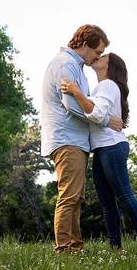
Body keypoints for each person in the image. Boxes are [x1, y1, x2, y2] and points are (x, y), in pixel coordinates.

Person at [61, 53, 137, 252]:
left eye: (103, 56)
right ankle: (116, 247)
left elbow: (96, 114)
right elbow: (94, 111)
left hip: (112, 146)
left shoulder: (108, 85)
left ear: (110, 65)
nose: (99, 56)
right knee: (106, 202)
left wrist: (75, 91)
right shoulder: (100, 87)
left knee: (124, 194)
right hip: (101, 148)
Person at [41, 24, 122, 253]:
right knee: (69, 196)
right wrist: (106, 119)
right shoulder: (66, 64)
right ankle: (64, 248)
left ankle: (75, 246)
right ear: (85, 44)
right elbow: (71, 105)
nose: (97, 57)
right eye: (97, 52)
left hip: (74, 139)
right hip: (67, 138)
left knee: (76, 196)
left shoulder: (74, 66)